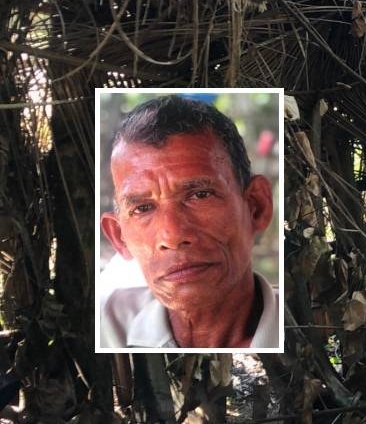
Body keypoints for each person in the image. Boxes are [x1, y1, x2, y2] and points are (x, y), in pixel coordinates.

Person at [100, 95, 279, 349]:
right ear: (120, 238)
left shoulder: (307, 331)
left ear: (255, 207)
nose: (172, 235)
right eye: (143, 208)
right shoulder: (103, 328)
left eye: (200, 195)